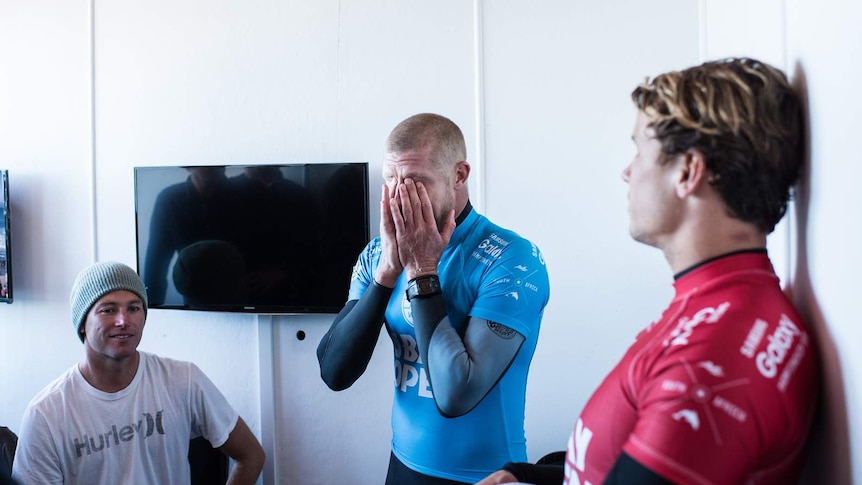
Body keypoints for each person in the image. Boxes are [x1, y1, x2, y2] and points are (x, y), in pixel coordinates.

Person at [478, 57, 819, 485]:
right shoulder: (716, 304)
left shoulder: (719, 354)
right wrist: (522, 476)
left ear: (688, 172)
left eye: (640, 149)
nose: (627, 171)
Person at [317, 113, 551, 484]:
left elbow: (457, 394)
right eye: (391, 180)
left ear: (459, 175)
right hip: (402, 466)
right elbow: (333, 371)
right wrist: (387, 274)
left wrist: (421, 269)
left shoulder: (512, 259)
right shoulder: (379, 254)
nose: (399, 196)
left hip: (485, 475)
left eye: (415, 182)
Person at [12, 261, 265, 484]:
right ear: (82, 325)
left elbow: (251, 455)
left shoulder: (184, 380)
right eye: (108, 310)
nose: (124, 320)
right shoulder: (46, 414)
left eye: (133, 308)